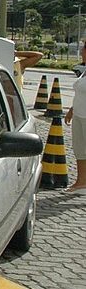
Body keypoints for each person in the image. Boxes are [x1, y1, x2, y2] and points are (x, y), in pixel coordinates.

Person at [63, 40, 86, 194]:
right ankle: (81, 182)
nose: (81, 52)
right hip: (79, 114)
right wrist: (72, 110)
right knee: (80, 150)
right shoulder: (85, 70)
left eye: (83, 49)